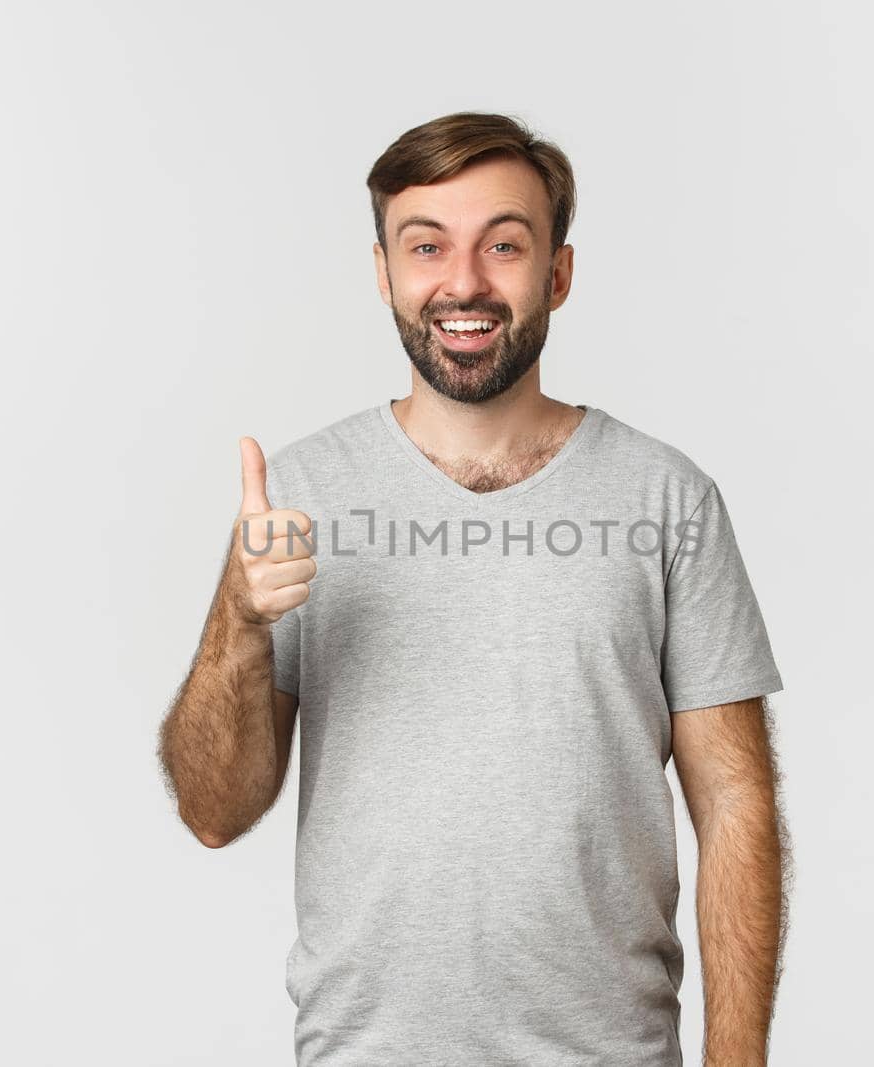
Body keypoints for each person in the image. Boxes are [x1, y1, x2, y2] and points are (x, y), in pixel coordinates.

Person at [159, 111, 789, 1067]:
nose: (464, 283)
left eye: (504, 245)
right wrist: (239, 622)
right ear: (384, 273)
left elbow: (736, 802)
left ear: (559, 274)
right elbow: (215, 810)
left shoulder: (668, 499)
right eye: (427, 246)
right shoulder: (299, 496)